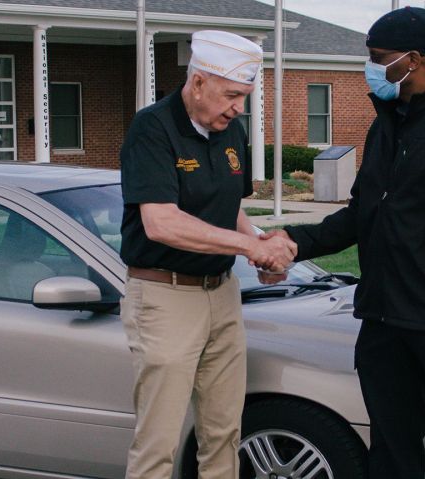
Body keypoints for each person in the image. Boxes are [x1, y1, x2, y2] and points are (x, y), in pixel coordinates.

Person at [264, 7, 425, 479]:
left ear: (416, 59)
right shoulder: (387, 123)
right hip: (384, 322)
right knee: (389, 452)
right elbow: (362, 216)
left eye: (378, 57)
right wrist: (292, 242)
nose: (371, 67)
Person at [119, 30, 297, 478]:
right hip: (165, 296)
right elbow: (162, 222)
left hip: (222, 294)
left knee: (223, 434)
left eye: (245, 96)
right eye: (232, 95)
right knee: (158, 442)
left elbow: (230, 208)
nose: (239, 108)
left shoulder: (230, 129)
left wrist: (262, 252)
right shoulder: (152, 128)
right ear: (198, 82)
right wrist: (250, 245)